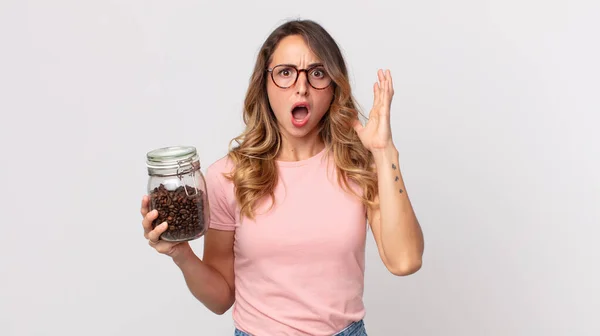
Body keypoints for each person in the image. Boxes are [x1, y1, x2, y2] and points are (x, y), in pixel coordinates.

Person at [140, 19, 424, 336]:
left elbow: (405, 261)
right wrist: (180, 253)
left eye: (317, 73)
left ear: (333, 87)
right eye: (286, 73)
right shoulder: (228, 176)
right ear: (265, 84)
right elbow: (220, 299)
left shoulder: (358, 167)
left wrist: (384, 152)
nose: (301, 87)